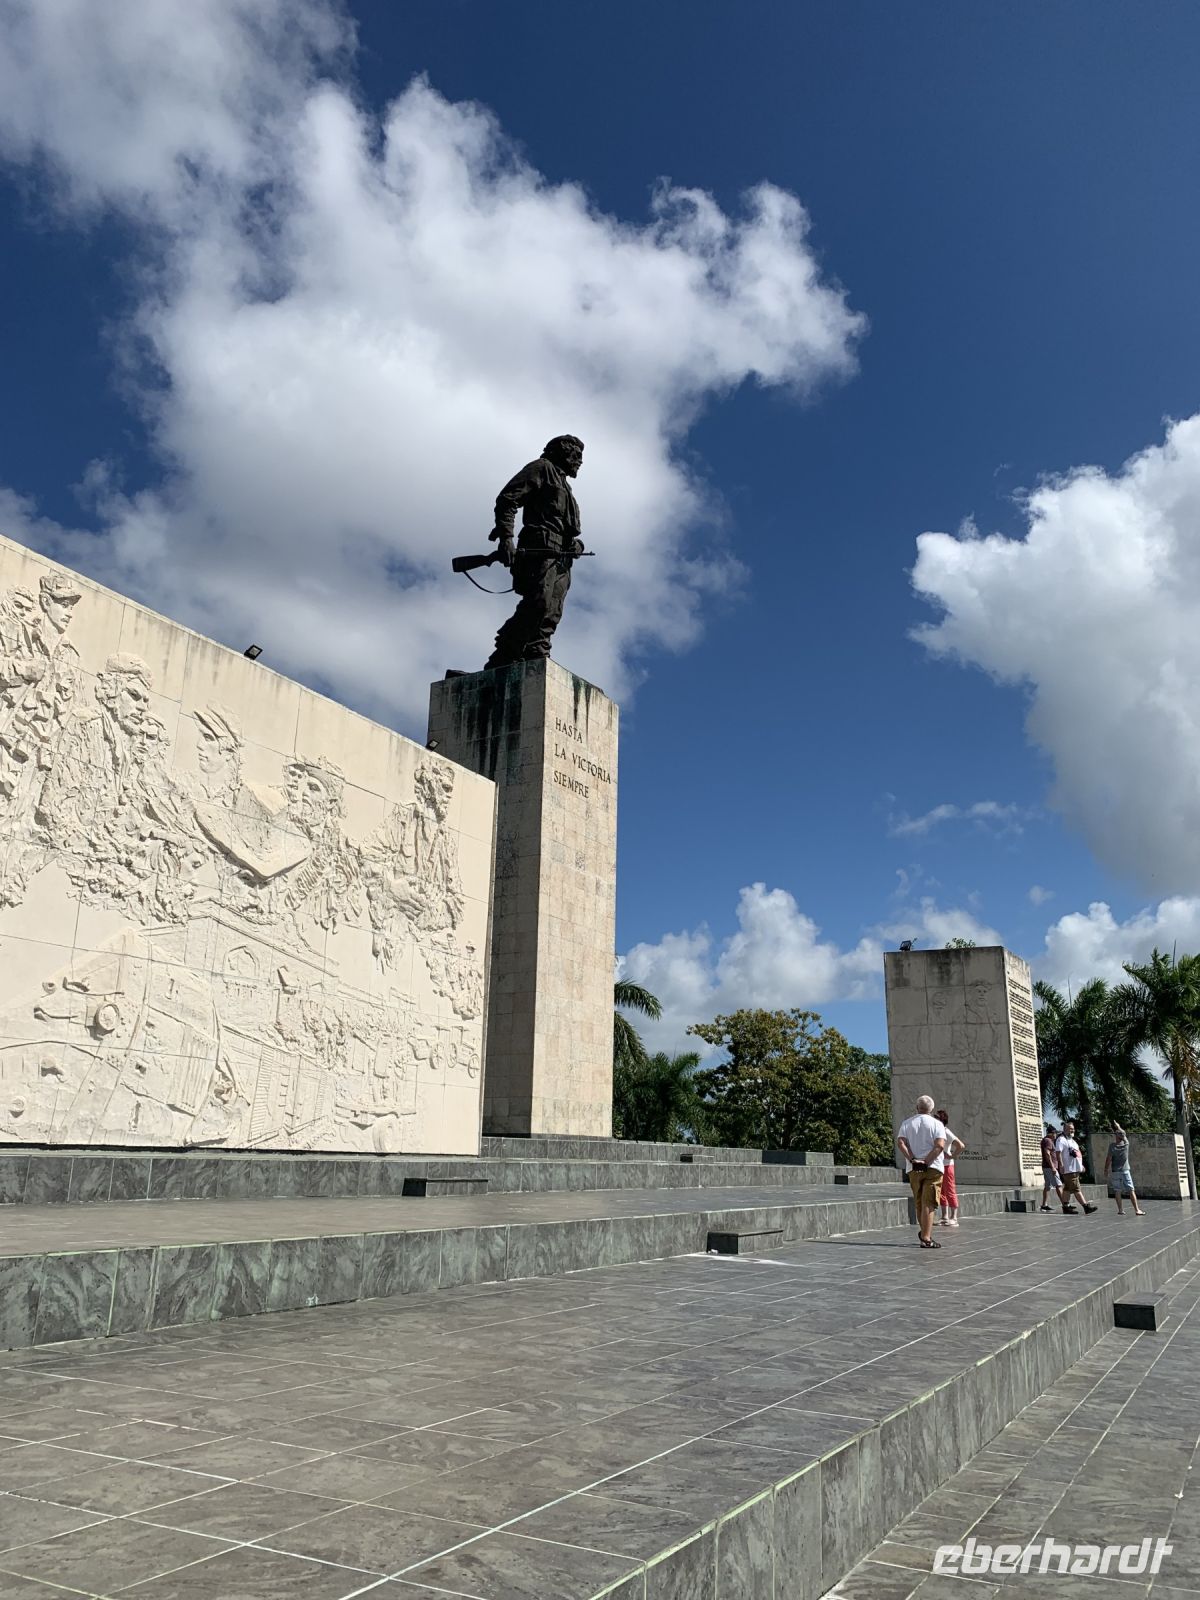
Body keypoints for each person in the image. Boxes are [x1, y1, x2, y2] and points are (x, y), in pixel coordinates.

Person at [484, 435, 586, 670]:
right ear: (563, 452)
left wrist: (577, 546)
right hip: (539, 550)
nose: (580, 462)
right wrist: (506, 538)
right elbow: (508, 499)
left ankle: (537, 655)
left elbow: (567, 529)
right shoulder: (542, 468)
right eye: (577, 455)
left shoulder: (565, 486)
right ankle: (503, 657)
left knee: (552, 611)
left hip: (562, 559)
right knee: (538, 602)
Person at [896, 1094, 948, 1248]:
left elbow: (901, 1142)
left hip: (914, 1168)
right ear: (931, 1109)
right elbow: (939, 1145)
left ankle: (924, 1234)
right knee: (929, 1202)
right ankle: (926, 1238)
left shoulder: (907, 1123)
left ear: (917, 1107)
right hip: (933, 1167)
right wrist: (926, 1161)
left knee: (919, 1202)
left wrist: (913, 1159)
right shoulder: (937, 1124)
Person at [1055, 1121, 1098, 1214]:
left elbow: (1077, 1154)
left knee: (1067, 1189)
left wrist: (1080, 1165)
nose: (1072, 1130)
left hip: (1075, 1169)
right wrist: (1061, 1165)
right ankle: (1086, 1207)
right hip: (1069, 1169)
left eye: (1073, 1129)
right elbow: (1058, 1153)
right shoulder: (1061, 1140)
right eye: (1070, 1129)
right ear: (1065, 1129)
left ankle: (1066, 1207)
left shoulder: (1072, 1141)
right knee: (1076, 1189)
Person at [1104, 1121, 1146, 1216]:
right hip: (1125, 1171)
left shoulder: (1112, 1146)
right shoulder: (1126, 1144)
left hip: (1115, 1171)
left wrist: (1106, 1170)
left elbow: (1108, 1159)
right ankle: (1137, 1209)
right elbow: (1123, 1134)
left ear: (1116, 1136)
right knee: (1131, 1190)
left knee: (1117, 1190)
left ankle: (1120, 1210)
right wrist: (1118, 1126)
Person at [935, 1107, 965, 1227]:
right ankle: (944, 1217)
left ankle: (954, 1217)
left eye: (936, 1118)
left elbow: (960, 1145)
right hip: (938, 1165)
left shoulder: (946, 1131)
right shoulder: (936, 1131)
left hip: (947, 1166)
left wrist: (952, 1156)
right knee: (941, 1191)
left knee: (950, 1190)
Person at [1040, 1122, 1072, 1213]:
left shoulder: (1046, 1140)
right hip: (1050, 1168)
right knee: (1059, 1185)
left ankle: (1044, 1205)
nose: (1055, 1135)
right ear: (1051, 1133)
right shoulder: (1048, 1141)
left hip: (1046, 1167)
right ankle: (1065, 1205)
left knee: (1047, 1187)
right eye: (1054, 1133)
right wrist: (1053, 1167)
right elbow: (1047, 1154)